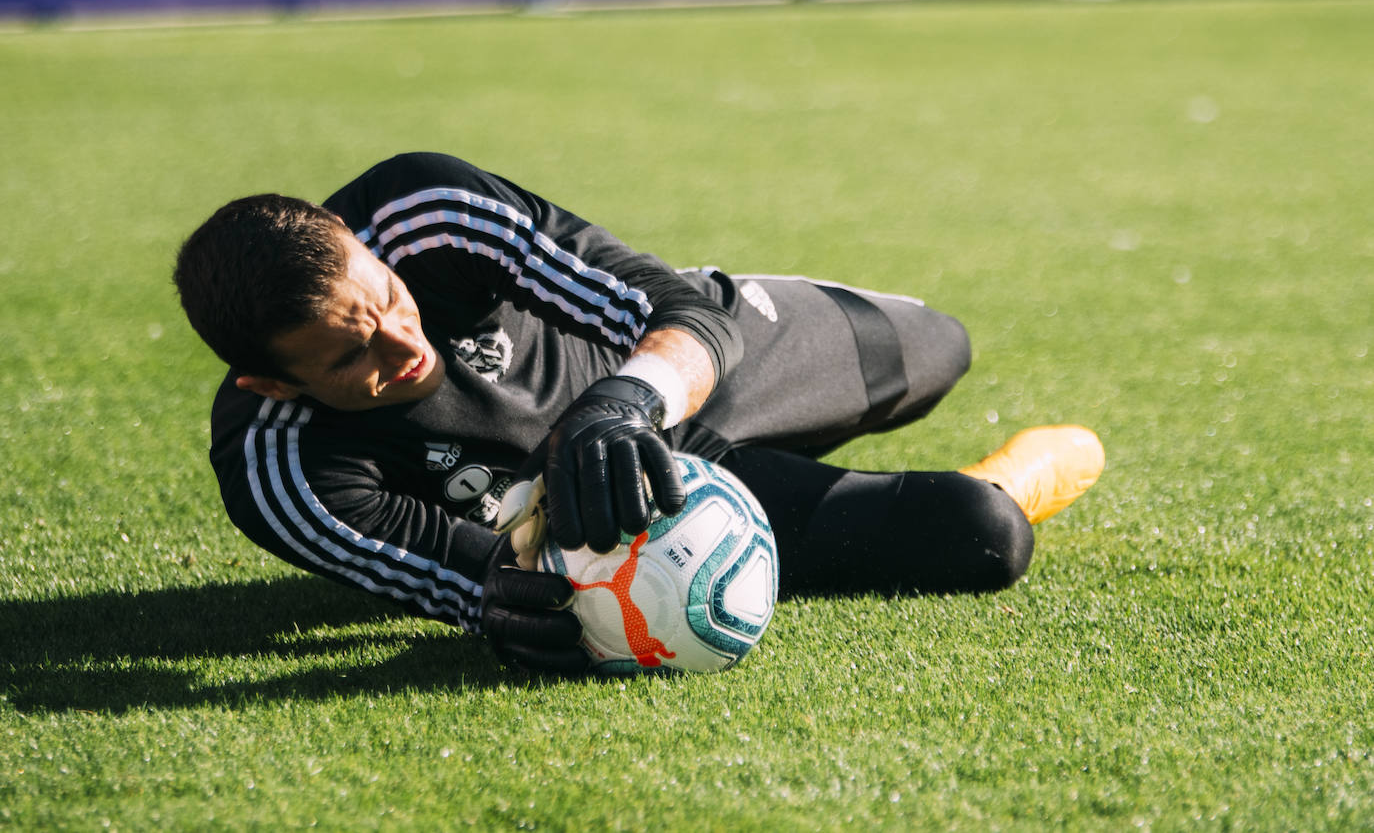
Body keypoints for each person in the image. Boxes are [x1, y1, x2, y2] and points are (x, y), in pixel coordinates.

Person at [174, 151, 1104, 673]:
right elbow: (498, 590)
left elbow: (684, 317)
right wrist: (524, 605)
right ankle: (997, 477)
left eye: (387, 301)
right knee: (980, 532)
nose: (401, 346)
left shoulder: (425, 215)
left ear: (364, 246)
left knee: (941, 347)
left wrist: (623, 400)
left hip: (655, 372)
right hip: (628, 504)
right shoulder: (281, 471)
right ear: (274, 385)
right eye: (352, 357)